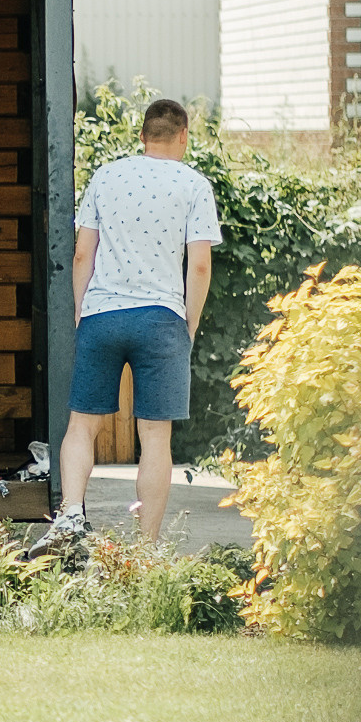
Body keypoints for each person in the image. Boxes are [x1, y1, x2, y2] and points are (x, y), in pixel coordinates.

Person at [40, 96, 219, 548]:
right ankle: (145, 550)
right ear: (183, 137)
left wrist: (83, 310)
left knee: (82, 425)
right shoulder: (195, 185)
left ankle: (71, 518)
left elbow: (83, 252)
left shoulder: (106, 176)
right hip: (162, 320)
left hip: (102, 313)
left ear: (141, 137)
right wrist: (189, 324)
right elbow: (198, 267)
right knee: (155, 437)